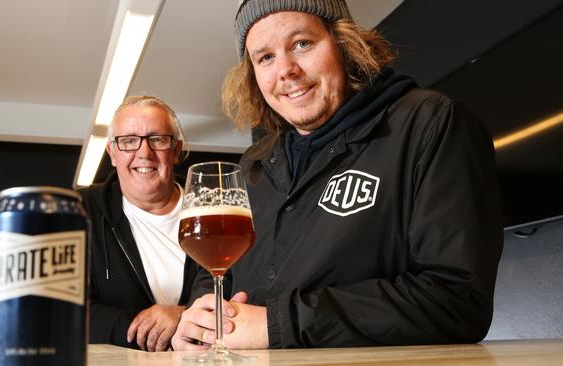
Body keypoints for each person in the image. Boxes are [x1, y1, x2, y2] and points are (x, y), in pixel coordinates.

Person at [173, 0, 503, 349]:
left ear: (345, 44)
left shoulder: (430, 124)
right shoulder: (252, 164)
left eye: (302, 43)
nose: (286, 70)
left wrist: (279, 324)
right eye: (265, 57)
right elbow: (213, 277)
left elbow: (457, 300)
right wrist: (200, 320)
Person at [79, 95, 198, 351]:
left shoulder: (211, 212)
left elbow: (241, 290)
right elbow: (68, 309)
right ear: (112, 153)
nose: (144, 153)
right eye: (129, 141)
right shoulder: (82, 210)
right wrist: (148, 328)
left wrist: (184, 315)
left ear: (176, 150)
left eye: (157, 139)